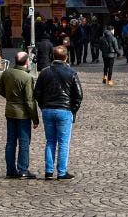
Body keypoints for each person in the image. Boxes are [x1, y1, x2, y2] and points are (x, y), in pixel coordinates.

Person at [34, 44, 83, 179]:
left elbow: (37, 92)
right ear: (66, 58)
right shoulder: (71, 73)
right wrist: (73, 110)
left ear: (53, 56)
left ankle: (49, 171)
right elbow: (79, 95)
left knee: (50, 141)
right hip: (64, 110)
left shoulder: (44, 72)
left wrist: (43, 106)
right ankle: (61, 172)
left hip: (48, 110)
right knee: (63, 143)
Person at [0, 50, 40, 179]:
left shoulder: (7, 72)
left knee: (10, 142)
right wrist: (35, 118)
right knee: (24, 142)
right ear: (27, 62)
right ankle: (23, 170)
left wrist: (9, 97)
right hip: (23, 115)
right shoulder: (27, 78)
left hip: (10, 111)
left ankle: (10, 169)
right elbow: (29, 100)